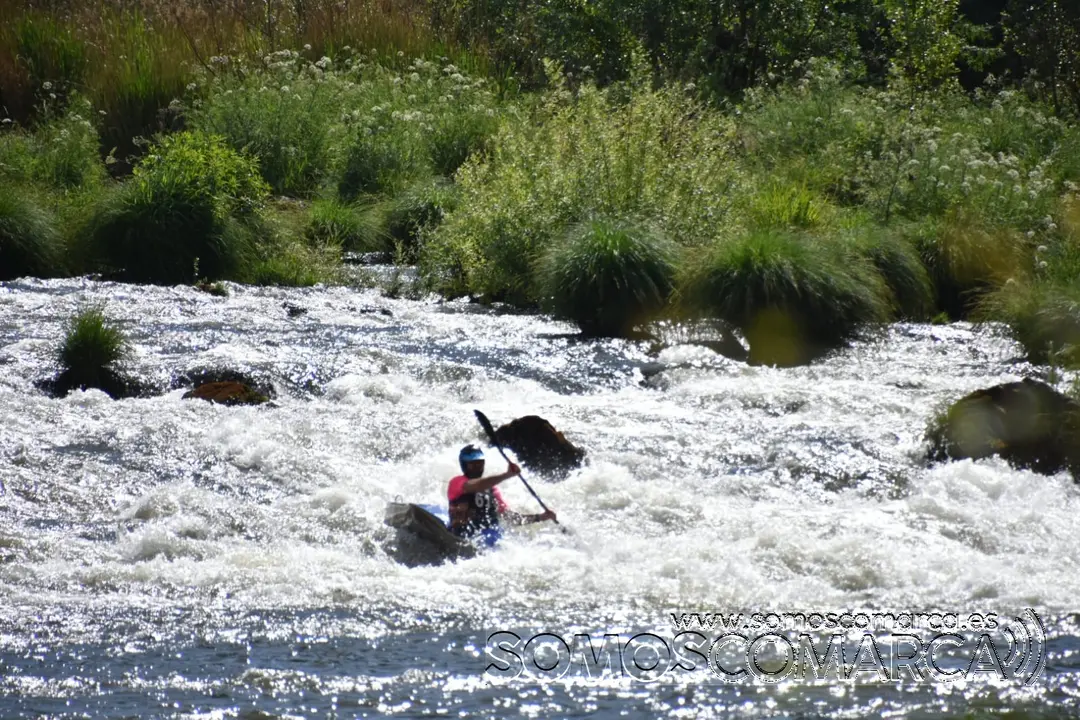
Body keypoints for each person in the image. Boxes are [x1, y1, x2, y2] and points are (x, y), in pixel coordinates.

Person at [448, 444, 556, 541]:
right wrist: (506, 475)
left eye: (480, 463)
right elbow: (477, 486)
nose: (477, 467)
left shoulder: (492, 489)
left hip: (488, 536)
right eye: (472, 464)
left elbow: (509, 517)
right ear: (464, 465)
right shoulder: (457, 482)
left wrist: (540, 517)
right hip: (463, 535)